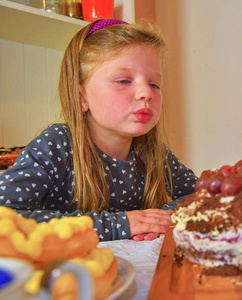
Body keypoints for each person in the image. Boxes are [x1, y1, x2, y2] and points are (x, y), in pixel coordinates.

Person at [0, 19, 197, 241]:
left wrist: (164, 217)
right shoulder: (56, 145)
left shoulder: (152, 151)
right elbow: (5, 217)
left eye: (154, 84)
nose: (146, 93)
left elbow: (200, 195)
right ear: (81, 97)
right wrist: (118, 224)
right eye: (123, 80)